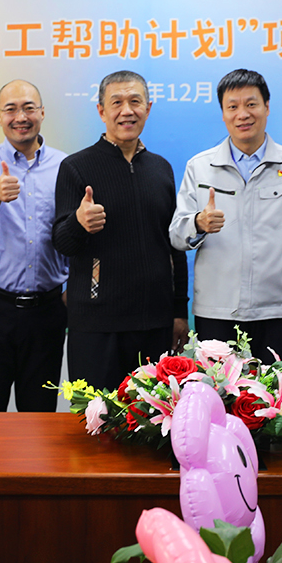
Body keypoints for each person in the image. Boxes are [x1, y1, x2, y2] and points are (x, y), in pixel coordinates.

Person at [170, 69, 282, 366]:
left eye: (251, 104)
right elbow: (176, 235)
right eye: (232, 106)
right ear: (223, 114)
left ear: (266, 107)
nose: (242, 114)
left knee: (277, 396)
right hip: (216, 313)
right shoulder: (200, 167)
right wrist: (198, 224)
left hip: (278, 313)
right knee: (218, 394)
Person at [53, 71, 189, 391]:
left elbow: (174, 245)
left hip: (154, 324)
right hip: (96, 326)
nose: (127, 111)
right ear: (101, 111)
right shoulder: (75, 167)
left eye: (135, 102)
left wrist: (178, 312)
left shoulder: (161, 169)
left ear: (148, 109)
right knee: (96, 416)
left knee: (152, 417)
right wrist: (78, 223)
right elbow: (61, 241)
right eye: (116, 103)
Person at [0, 80, 68, 412]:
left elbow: (72, 234)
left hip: (46, 312)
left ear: (42, 113)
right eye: (10, 109)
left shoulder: (66, 166)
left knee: (40, 416)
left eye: (28, 108)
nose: (20, 117)